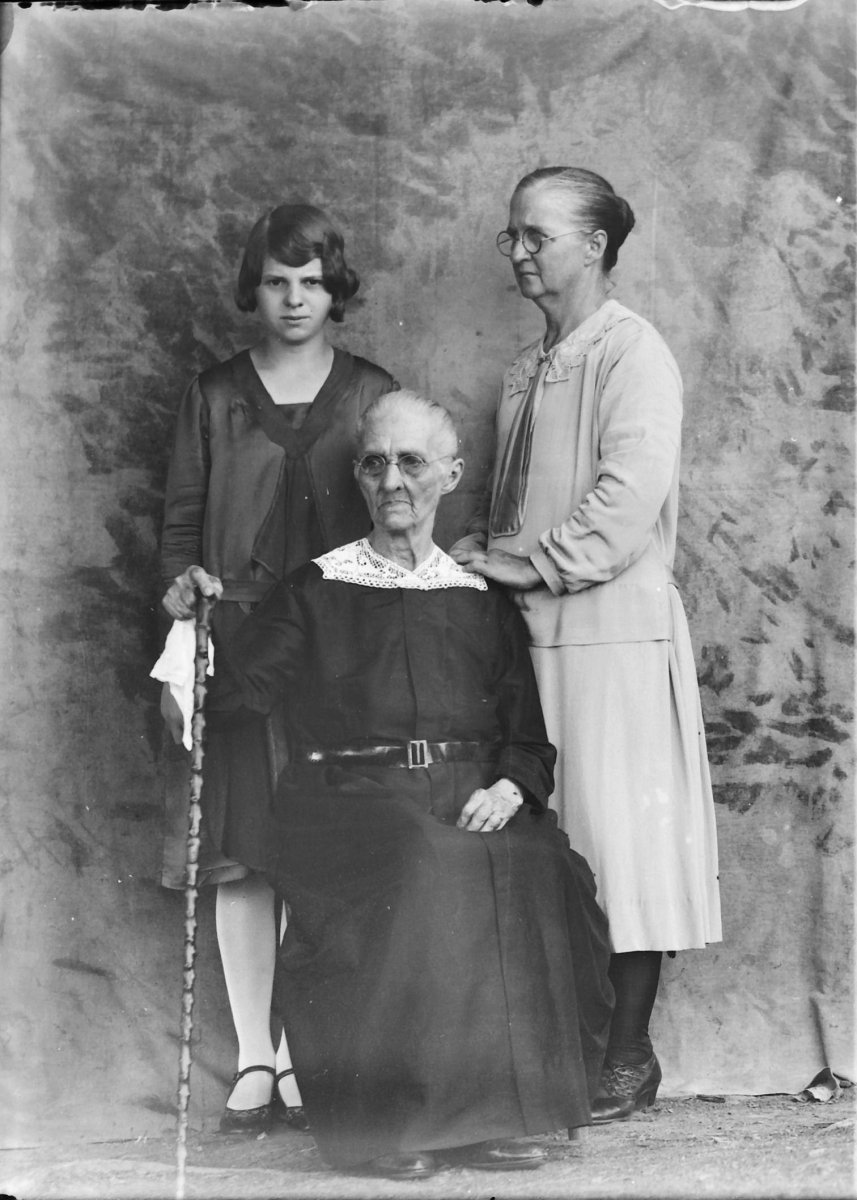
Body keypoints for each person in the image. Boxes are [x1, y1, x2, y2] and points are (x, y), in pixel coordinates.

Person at [198, 390, 616, 1178]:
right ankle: (383, 1128)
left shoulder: (479, 601)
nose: (392, 481)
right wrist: (194, 630)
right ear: (358, 477)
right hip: (346, 801)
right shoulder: (314, 587)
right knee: (423, 862)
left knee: (534, 862)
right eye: (374, 463)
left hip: (468, 794)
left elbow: (527, 738)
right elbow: (238, 696)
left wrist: (509, 790)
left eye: (411, 463)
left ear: (450, 475)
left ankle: (489, 1117)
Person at [451, 167, 722, 1120]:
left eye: (537, 235)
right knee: (551, 835)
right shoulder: (523, 370)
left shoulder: (631, 350)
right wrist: (479, 552)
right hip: (531, 636)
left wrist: (526, 565)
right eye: (513, 236)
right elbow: (512, 501)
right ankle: (566, 1047)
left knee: (622, 841)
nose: (519, 252)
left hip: (612, 637)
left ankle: (627, 1056)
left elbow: (627, 498)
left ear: (595, 246)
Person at [158, 203, 397, 1133]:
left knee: (323, 846)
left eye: (312, 282)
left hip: (339, 648)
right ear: (251, 290)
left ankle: (307, 1050)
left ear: (336, 290)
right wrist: (183, 590)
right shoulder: (213, 395)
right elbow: (182, 527)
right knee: (243, 854)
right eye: (275, 282)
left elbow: (402, 519)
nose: (295, 299)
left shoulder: (371, 390)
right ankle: (256, 1057)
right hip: (244, 645)